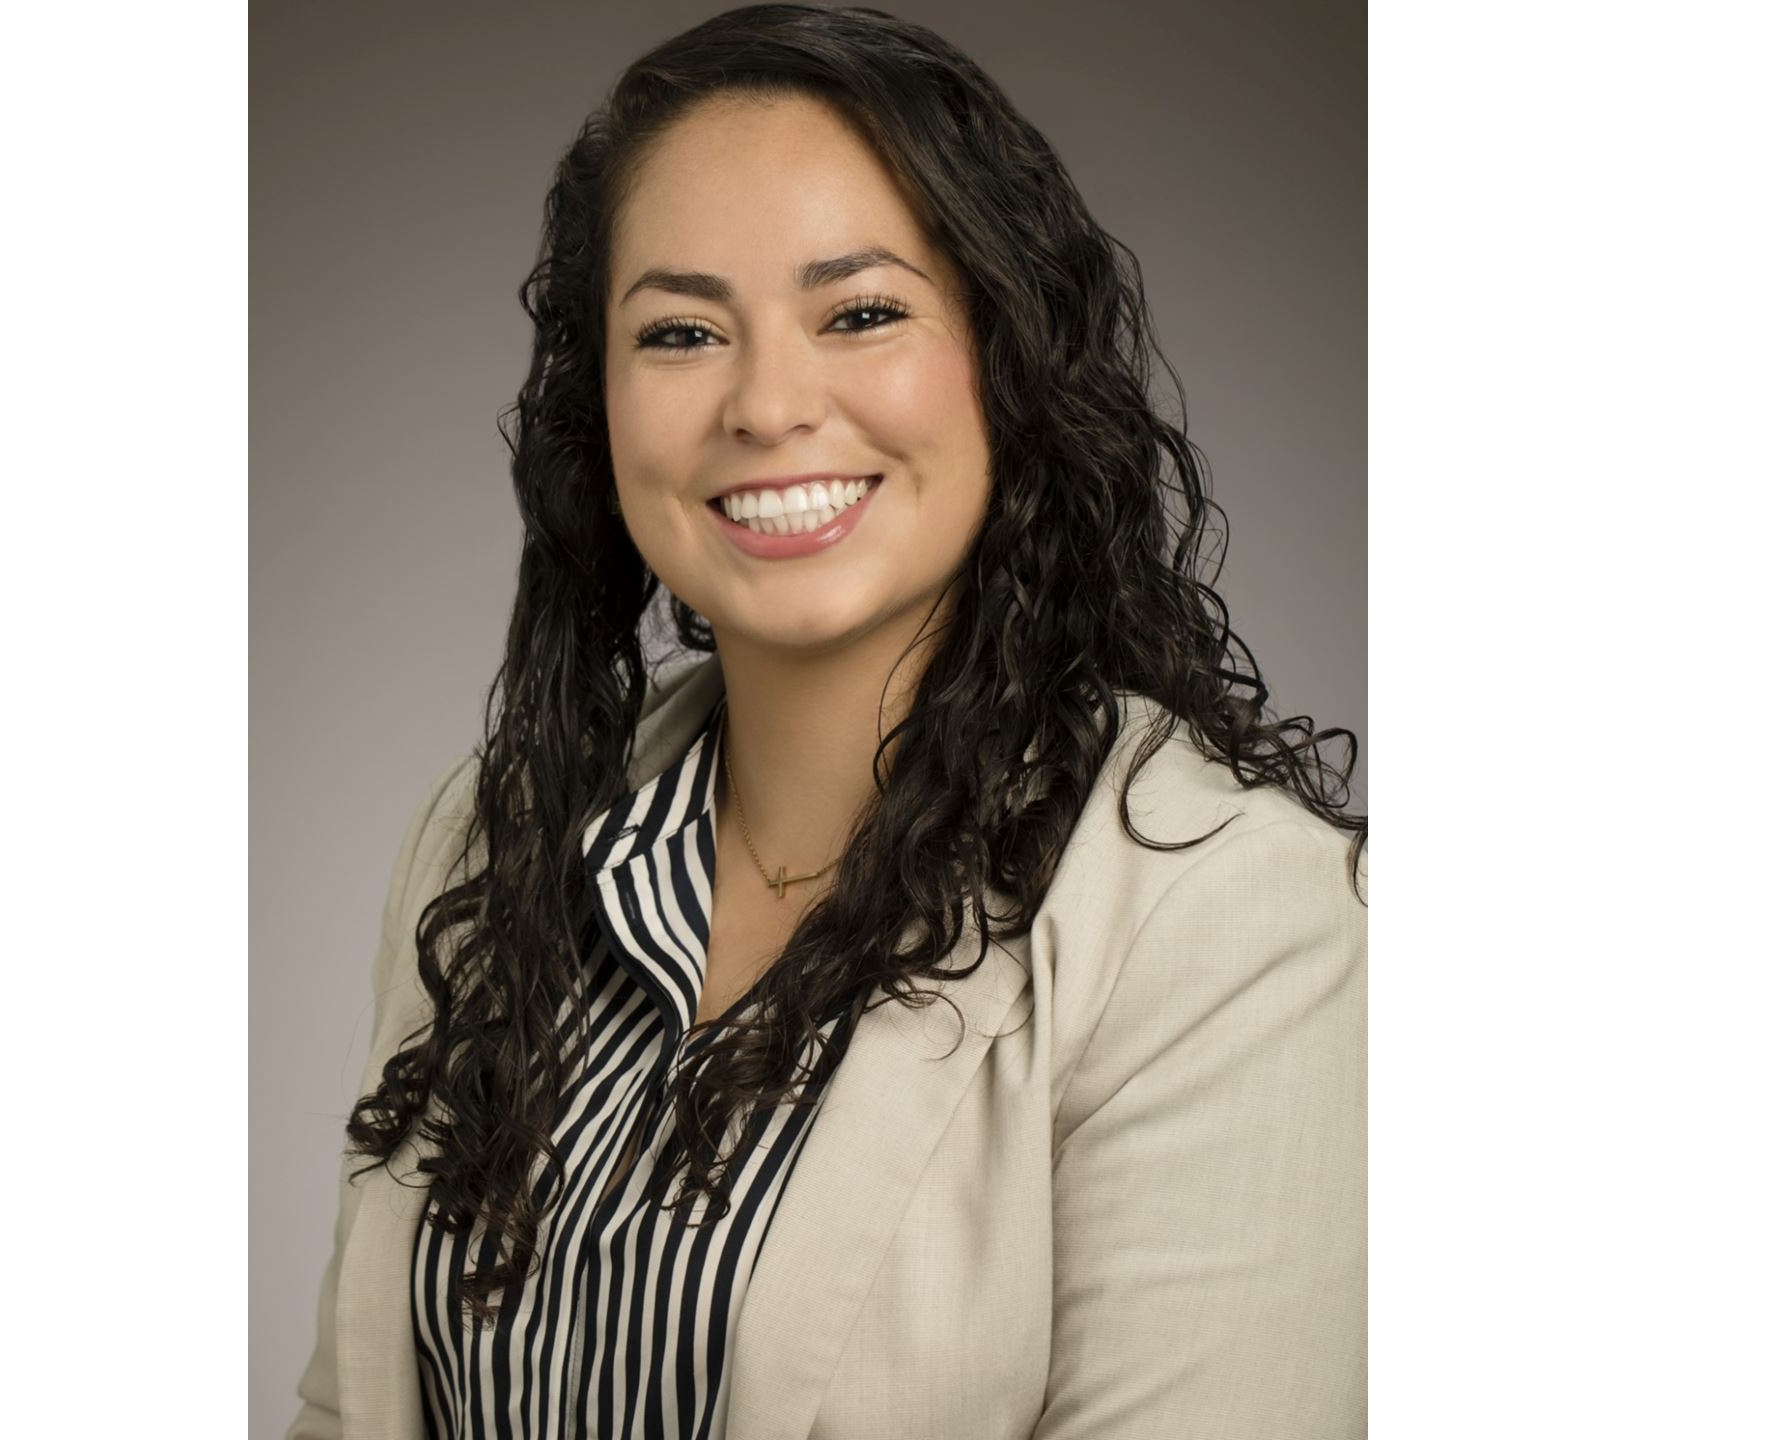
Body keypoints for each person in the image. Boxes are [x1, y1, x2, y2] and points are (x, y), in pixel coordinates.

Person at [286, 5, 1367, 1438]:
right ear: (594, 410)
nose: (769, 403)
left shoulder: (1237, 920)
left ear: (1007, 355)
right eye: (680, 332)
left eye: (860, 312)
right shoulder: (490, 842)